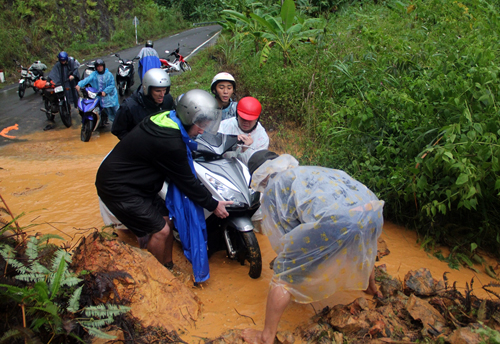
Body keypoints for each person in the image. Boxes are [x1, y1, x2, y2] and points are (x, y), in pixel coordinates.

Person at [241, 150, 384, 344]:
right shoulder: (307, 171)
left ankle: (265, 337)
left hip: (337, 220)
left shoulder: (274, 188)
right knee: (362, 244)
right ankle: (372, 288)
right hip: (372, 210)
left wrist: (295, 266)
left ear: (261, 178)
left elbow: (284, 236)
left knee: (283, 274)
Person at [96, 89, 232, 282]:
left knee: (168, 220)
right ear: (187, 118)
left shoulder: (166, 117)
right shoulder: (170, 142)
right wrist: (213, 205)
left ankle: (167, 267)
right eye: (200, 126)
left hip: (136, 181)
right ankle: (155, 279)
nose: (202, 131)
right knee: (161, 230)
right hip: (118, 187)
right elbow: (188, 183)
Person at [111, 68, 174, 140]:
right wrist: (137, 142)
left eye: (164, 90)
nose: (162, 95)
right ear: (147, 89)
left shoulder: (167, 99)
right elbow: (117, 130)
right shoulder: (129, 107)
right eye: (158, 91)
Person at [218, 97, 269, 165]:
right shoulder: (224, 126)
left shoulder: (262, 137)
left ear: (257, 118)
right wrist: (231, 140)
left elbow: (256, 165)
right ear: (237, 115)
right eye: (243, 118)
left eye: (250, 120)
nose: (246, 122)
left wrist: (246, 149)